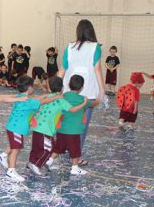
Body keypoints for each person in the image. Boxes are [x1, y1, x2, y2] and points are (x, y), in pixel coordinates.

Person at [0, 75, 58, 181]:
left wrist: (46, 95)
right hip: (16, 128)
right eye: (33, 85)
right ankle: (11, 171)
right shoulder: (29, 102)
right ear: (29, 87)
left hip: (13, 127)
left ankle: (3, 155)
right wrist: (56, 97)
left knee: (14, 144)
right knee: (16, 149)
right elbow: (42, 102)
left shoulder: (20, 96)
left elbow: (36, 99)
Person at [59, 19, 105, 166]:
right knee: (81, 125)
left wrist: (56, 88)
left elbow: (62, 69)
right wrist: (102, 91)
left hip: (68, 90)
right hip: (88, 91)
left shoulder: (69, 47)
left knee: (66, 121)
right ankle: (75, 156)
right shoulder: (95, 47)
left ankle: (63, 149)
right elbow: (97, 69)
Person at [27, 76, 88, 176]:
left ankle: (31, 162)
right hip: (46, 130)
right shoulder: (61, 100)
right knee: (47, 149)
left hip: (36, 126)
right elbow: (72, 110)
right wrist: (84, 103)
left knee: (36, 147)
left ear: (49, 88)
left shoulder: (48, 96)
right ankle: (37, 165)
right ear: (63, 88)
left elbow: (37, 99)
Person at [46, 75, 99, 175]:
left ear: (68, 85)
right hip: (74, 130)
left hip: (61, 128)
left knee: (58, 146)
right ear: (82, 87)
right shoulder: (82, 99)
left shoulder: (64, 96)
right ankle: (75, 167)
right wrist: (99, 99)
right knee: (75, 149)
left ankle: (49, 161)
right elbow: (92, 104)